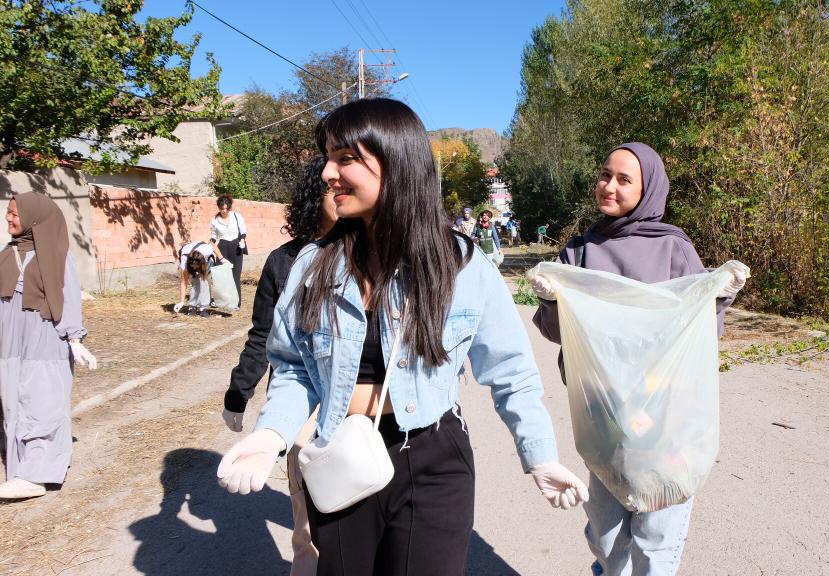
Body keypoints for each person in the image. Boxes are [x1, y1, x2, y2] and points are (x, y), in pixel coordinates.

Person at [216, 98, 588, 576]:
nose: (328, 172)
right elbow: (292, 367)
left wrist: (539, 455)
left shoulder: (459, 264)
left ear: (395, 164)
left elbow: (511, 371)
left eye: (345, 158)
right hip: (338, 456)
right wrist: (270, 435)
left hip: (431, 458)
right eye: (328, 156)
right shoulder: (311, 265)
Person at [530, 143, 748, 576]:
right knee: (607, 539)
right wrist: (551, 302)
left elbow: (700, 333)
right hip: (604, 417)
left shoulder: (672, 248)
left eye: (624, 179)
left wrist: (717, 296)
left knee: (656, 538)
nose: (608, 186)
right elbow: (556, 334)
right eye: (604, 174)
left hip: (664, 417)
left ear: (648, 189)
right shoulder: (580, 253)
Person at [222, 157, 336, 576]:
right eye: (329, 186)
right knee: (304, 500)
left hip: (359, 404)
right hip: (300, 401)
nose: (340, 191)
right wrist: (239, 392)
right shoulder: (284, 261)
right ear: (313, 194)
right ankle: (306, 563)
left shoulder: (374, 253)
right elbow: (262, 335)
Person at [0, 192, 97, 500]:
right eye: (9, 212)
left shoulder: (55, 254)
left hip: (44, 340)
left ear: (34, 218)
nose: (9, 218)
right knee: (11, 398)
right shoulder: (7, 252)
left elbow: (67, 297)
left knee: (40, 400)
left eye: (15, 213)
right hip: (10, 343)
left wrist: (74, 338)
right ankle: (20, 465)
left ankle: (38, 473)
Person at [210, 195, 246, 308]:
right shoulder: (215, 220)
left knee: (236, 274)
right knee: (221, 275)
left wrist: (243, 239)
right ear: (219, 207)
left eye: (226, 208)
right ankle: (222, 301)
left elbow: (243, 229)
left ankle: (236, 302)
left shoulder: (236, 216)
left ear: (229, 207)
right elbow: (214, 236)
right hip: (223, 246)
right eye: (222, 208)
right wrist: (210, 245)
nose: (224, 211)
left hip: (236, 245)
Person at [174, 241, 216, 317]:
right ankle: (192, 307)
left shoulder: (207, 250)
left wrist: (222, 259)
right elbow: (183, 282)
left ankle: (203, 308)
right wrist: (182, 302)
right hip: (190, 257)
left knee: (204, 283)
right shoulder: (184, 261)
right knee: (195, 283)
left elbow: (214, 246)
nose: (195, 268)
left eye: (196, 267)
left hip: (206, 262)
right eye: (193, 266)